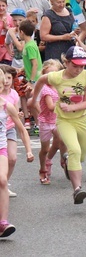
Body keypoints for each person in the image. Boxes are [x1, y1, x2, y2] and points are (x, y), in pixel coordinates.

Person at [29, 46, 86, 204]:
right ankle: (77, 189)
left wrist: (71, 107)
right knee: (75, 151)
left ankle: (67, 161)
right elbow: (41, 80)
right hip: (65, 121)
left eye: (82, 66)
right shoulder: (56, 77)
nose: (79, 69)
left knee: (82, 155)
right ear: (66, 62)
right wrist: (34, 99)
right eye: (75, 65)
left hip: (83, 119)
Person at [0, 78, 33, 238]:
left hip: (1, 148)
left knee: (2, 180)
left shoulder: (7, 106)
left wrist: (28, 150)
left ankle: (3, 223)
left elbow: (22, 129)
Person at [35, 59, 62, 185]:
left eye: (55, 74)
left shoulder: (60, 86)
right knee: (45, 149)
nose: (52, 77)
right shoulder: (46, 89)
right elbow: (51, 107)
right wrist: (65, 101)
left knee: (61, 140)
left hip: (57, 120)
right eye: (48, 74)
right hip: (46, 121)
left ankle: (56, 159)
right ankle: (43, 168)